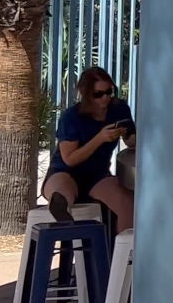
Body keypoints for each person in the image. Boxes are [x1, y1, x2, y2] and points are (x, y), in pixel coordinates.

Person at [42, 67, 134, 231]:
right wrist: (100, 138)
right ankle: (69, 233)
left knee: (126, 202)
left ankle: (124, 253)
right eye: (98, 94)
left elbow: (131, 138)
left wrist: (129, 136)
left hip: (97, 175)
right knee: (62, 196)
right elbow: (69, 159)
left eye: (109, 91)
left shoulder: (119, 109)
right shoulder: (72, 117)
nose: (105, 98)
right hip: (65, 171)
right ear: (87, 96)